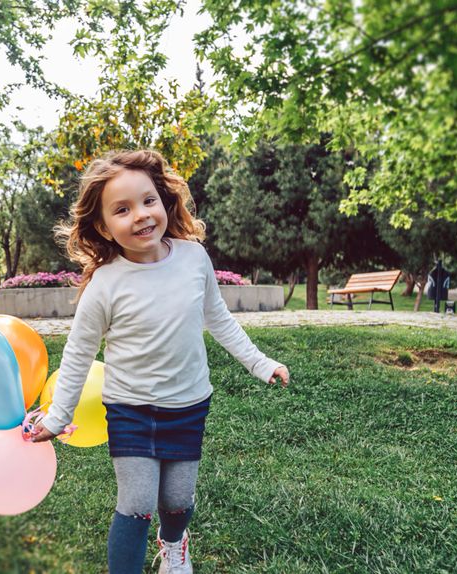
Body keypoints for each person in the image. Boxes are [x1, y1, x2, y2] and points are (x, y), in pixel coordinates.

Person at [31, 149, 290, 574]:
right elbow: (79, 353)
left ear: (164, 201)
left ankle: (173, 546)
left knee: (177, 501)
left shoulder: (193, 259)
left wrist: (261, 363)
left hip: (188, 404)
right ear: (103, 226)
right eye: (122, 209)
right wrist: (57, 416)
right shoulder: (105, 284)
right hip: (130, 408)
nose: (141, 215)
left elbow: (218, 318)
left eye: (148, 200)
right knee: (135, 506)